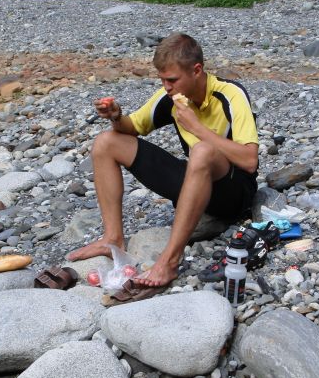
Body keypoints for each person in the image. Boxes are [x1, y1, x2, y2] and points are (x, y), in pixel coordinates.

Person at [67, 32, 259, 289]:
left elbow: (249, 161)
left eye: (172, 80)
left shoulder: (230, 94)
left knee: (201, 151)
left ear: (197, 70)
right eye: (162, 80)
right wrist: (115, 116)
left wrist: (197, 127)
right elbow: (133, 126)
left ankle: (169, 261)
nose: (167, 87)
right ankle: (112, 239)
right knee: (106, 142)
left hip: (234, 194)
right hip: (197, 181)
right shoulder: (169, 98)